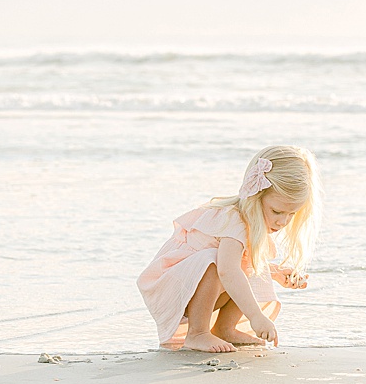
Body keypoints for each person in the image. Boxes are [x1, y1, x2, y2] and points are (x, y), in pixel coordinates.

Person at [137, 146, 321, 352]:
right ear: (255, 197)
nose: (283, 221)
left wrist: (276, 273)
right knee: (219, 264)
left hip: (191, 287)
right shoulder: (233, 219)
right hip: (172, 289)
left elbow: (240, 264)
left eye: (291, 214)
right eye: (277, 211)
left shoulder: (252, 224)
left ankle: (224, 328)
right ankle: (197, 333)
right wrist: (256, 317)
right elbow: (227, 271)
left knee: (250, 267)